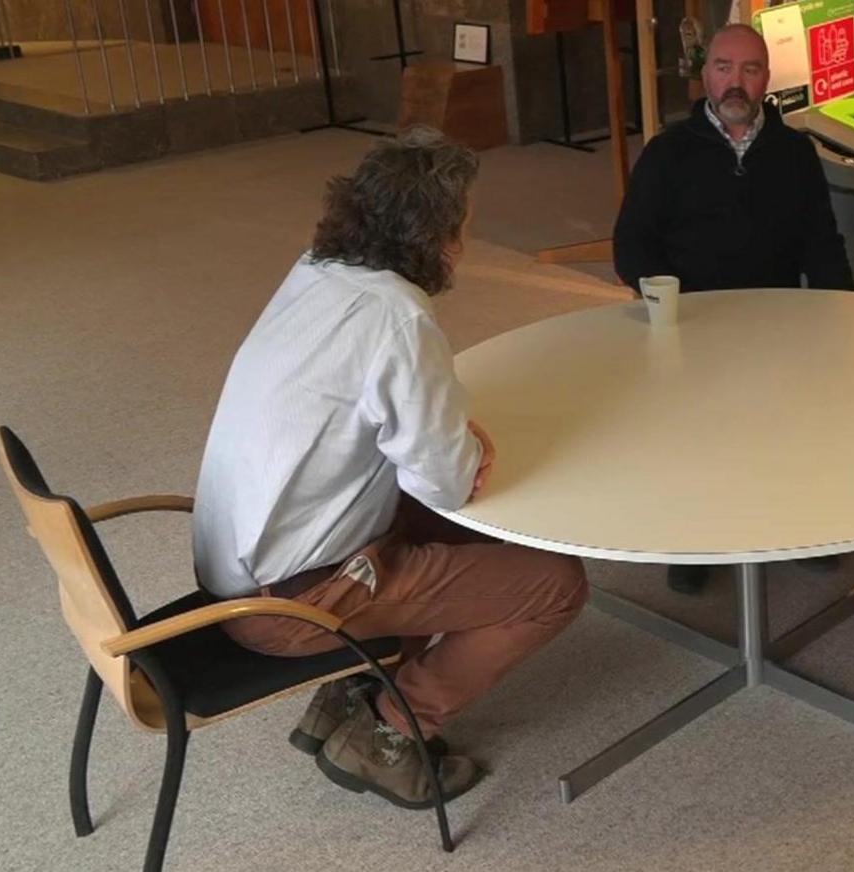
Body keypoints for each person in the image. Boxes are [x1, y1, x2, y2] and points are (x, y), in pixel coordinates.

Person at [192, 127, 589, 809]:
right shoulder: (400, 318)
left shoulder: (316, 269)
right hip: (292, 604)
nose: (466, 240)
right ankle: (391, 729)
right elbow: (444, 479)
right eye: (463, 224)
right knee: (555, 583)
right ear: (435, 236)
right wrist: (466, 443)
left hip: (244, 563)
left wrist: (444, 435)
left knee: (464, 532)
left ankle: (347, 691)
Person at [613, 23, 854, 593]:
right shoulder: (668, 151)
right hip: (690, 319)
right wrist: (664, 307)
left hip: (775, 316)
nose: (735, 83)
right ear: (706, 76)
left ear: (767, 79)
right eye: (724, 68)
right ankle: (696, 538)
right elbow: (632, 244)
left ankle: (801, 527)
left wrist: (847, 316)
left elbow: (821, 241)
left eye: (750, 69)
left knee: (794, 416)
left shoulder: (794, 152)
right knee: (695, 426)